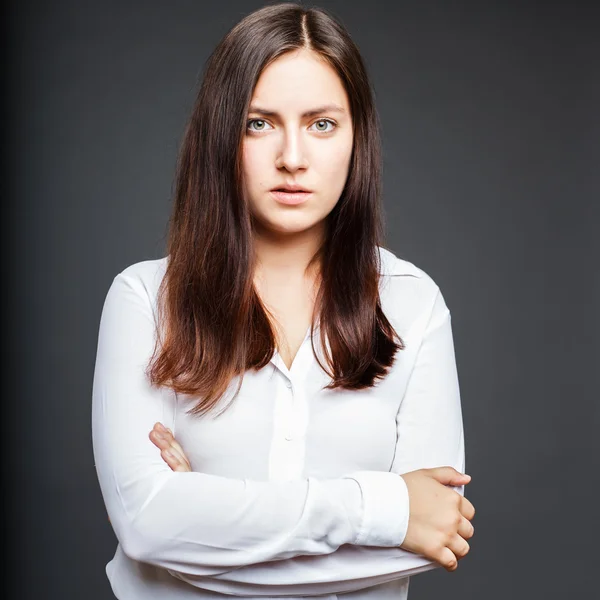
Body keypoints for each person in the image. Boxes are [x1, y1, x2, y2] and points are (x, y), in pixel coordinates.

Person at [91, 3, 475, 599]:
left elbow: (434, 532)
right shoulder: (144, 299)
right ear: (221, 134)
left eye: (322, 124)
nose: (292, 157)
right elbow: (146, 527)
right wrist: (384, 508)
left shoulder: (412, 302)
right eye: (258, 123)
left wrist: (202, 538)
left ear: (357, 136)